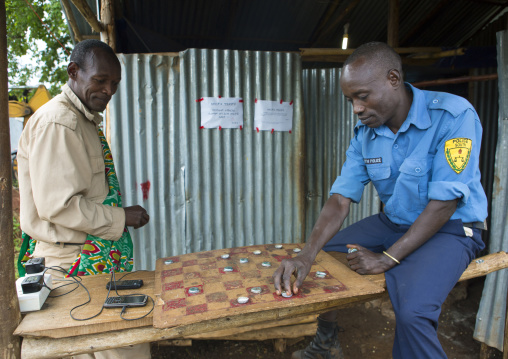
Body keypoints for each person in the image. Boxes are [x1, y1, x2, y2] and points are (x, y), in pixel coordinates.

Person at [273, 42, 488, 359]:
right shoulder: (365, 135)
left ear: (393, 79)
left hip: (452, 229)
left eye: (362, 96)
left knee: (413, 311)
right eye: (351, 100)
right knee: (325, 258)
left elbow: (445, 204)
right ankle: (327, 342)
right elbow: (340, 199)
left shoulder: (454, 116)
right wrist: (306, 255)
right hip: (396, 223)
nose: (356, 109)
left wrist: (388, 258)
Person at [17, 39, 151, 359]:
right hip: (72, 265)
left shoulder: (83, 120)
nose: (108, 91)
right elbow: (58, 205)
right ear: (74, 72)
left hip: (89, 261)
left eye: (114, 84)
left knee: (127, 343)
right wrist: (122, 217)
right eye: (100, 80)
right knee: (119, 348)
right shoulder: (59, 122)